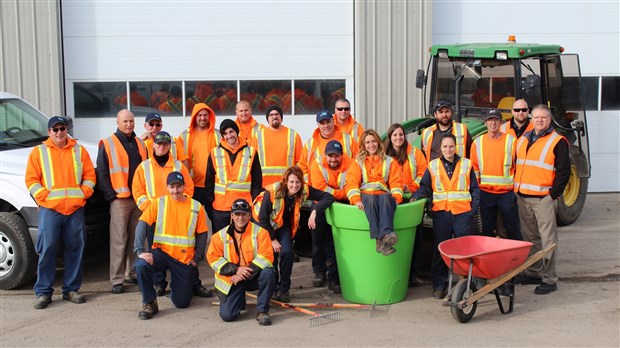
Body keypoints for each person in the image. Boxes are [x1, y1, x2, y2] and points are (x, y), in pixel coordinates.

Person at [26, 116, 96, 309]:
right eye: (55, 130)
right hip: (50, 210)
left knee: (75, 249)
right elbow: (32, 181)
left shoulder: (79, 151)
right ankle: (43, 293)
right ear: (49, 132)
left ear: (67, 130)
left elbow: (90, 176)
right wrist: (45, 198)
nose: (59, 133)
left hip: (74, 209)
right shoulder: (39, 152)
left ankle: (71, 289)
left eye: (62, 129)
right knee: (47, 249)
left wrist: (83, 194)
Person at [411, 133, 480, 299]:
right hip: (442, 214)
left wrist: (473, 210)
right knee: (440, 249)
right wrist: (418, 196)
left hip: (463, 214)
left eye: (451, 146)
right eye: (445, 147)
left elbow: (475, 190)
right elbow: (426, 187)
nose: (448, 149)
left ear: (455, 147)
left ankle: (466, 284)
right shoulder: (433, 166)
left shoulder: (466, 164)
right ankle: (439, 285)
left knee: (464, 250)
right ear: (440, 149)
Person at [133, 172, 209, 320]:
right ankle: (149, 302)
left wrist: (197, 257)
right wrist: (140, 250)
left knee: (181, 303)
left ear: (184, 187)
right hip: (161, 253)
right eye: (172, 187)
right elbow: (142, 224)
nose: (175, 191)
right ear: (167, 188)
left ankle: (179, 287)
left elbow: (202, 234)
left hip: (183, 259)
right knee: (141, 265)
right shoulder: (158, 203)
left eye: (178, 186)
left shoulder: (196, 206)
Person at [254, 166, 334, 303]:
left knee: (288, 253)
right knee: (271, 257)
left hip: (281, 224)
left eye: (297, 182)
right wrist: (273, 239)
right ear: (285, 181)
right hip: (264, 226)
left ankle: (284, 290)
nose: (294, 185)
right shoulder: (272, 192)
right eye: (291, 182)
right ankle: (273, 289)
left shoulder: (303, 190)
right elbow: (263, 218)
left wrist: (315, 210)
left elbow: (328, 197)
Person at [514, 104, 570, 295]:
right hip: (523, 197)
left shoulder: (557, 141)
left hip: (543, 198)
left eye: (543, 118)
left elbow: (564, 171)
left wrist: (552, 195)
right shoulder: (523, 139)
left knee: (548, 239)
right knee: (530, 238)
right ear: (531, 119)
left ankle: (549, 278)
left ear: (549, 120)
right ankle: (534, 272)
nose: (539, 120)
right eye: (536, 117)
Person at [97, 109, 148, 294]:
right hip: (120, 200)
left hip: (138, 199)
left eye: (131, 121)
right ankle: (117, 280)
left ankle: (132, 273)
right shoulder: (108, 143)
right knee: (119, 240)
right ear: (117, 122)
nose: (129, 124)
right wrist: (111, 196)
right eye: (125, 121)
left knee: (136, 239)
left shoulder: (141, 144)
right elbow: (102, 173)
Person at [207, 198, 276, 326]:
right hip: (232, 279)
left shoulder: (261, 233)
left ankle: (262, 311)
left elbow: (266, 257)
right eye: (237, 214)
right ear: (232, 215)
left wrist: (243, 273)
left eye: (244, 214)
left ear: (249, 215)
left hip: (252, 276)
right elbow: (213, 258)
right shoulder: (219, 236)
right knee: (227, 316)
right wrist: (236, 270)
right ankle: (239, 301)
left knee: (269, 273)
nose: (240, 218)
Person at [345, 129, 403, 256]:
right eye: (368, 142)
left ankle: (385, 236)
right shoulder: (358, 162)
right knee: (370, 200)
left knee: (387, 199)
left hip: (383, 193)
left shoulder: (389, 161)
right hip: (366, 194)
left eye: (373, 141)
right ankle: (380, 239)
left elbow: (396, 182)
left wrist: (397, 198)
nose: (371, 145)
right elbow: (351, 182)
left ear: (378, 142)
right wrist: (356, 199)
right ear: (363, 145)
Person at [384, 123, 428, 287]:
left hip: (410, 198)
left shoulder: (415, 153)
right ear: (390, 137)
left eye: (401, 135)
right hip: (390, 199)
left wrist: (409, 187)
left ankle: (413, 275)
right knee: (395, 237)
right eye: (394, 135)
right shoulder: (383, 154)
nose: (398, 138)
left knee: (416, 237)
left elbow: (423, 174)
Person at [308, 140, 353, 292]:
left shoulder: (351, 164)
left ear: (342, 155)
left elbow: (350, 188)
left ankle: (334, 278)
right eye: (330, 156)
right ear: (325, 155)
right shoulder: (316, 164)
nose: (333, 160)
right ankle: (319, 273)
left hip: (342, 205)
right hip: (319, 203)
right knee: (317, 240)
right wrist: (338, 192)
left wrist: (332, 193)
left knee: (336, 242)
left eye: (337, 156)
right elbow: (319, 189)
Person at [470, 109, 521, 240]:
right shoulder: (477, 142)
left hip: (507, 193)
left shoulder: (511, 141)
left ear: (501, 122)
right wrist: (477, 191)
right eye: (490, 120)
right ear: (485, 123)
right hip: (486, 193)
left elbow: (518, 166)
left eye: (496, 120)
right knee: (487, 228)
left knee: (512, 228)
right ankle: (490, 257)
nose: (493, 123)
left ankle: (515, 257)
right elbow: (474, 168)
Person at [205, 119, 262, 233]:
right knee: (221, 244)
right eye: (225, 133)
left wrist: (253, 205)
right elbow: (209, 183)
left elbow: (257, 182)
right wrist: (210, 206)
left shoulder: (251, 152)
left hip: (243, 208)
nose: (229, 136)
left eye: (231, 132)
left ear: (236, 132)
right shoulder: (214, 153)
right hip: (220, 209)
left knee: (243, 244)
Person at [178, 103, 221, 208]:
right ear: (194, 117)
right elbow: (178, 160)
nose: (203, 118)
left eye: (205, 115)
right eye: (199, 115)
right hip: (193, 186)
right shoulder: (184, 136)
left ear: (209, 116)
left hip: (214, 185)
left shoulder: (218, 135)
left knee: (216, 220)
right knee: (192, 218)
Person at [298, 109, 358, 183]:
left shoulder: (347, 139)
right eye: (322, 123)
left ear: (333, 121)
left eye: (328, 122)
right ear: (318, 124)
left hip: (345, 187)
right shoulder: (310, 144)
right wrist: (309, 184)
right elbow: (302, 167)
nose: (326, 126)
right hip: (318, 189)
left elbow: (358, 162)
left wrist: (352, 181)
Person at [251, 105, 303, 186]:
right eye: (271, 115)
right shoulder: (258, 136)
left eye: (277, 114)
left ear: (281, 117)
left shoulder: (293, 135)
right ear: (267, 118)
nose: (274, 116)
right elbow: (252, 163)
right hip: (264, 185)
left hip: (287, 184)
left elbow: (300, 162)